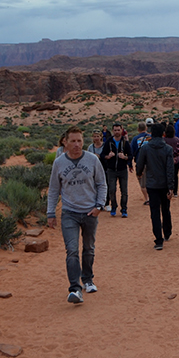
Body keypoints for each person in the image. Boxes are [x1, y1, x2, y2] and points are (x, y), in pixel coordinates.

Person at [47, 126, 107, 304]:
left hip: (90, 211)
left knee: (88, 248)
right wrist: (51, 212)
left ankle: (88, 279)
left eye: (79, 141)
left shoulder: (92, 160)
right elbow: (53, 190)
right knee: (71, 250)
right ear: (65, 142)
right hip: (69, 213)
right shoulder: (59, 163)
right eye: (72, 141)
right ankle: (75, 288)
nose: (76, 144)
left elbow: (102, 184)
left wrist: (99, 206)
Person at [136, 123, 175, 250]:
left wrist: (139, 173)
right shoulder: (168, 149)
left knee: (154, 212)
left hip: (152, 185)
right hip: (164, 184)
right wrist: (171, 187)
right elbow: (170, 169)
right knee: (166, 209)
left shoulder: (145, 149)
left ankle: (158, 240)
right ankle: (167, 232)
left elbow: (139, 164)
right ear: (163, 134)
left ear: (151, 134)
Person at [101, 123, 133, 218]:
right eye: (115, 130)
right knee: (112, 190)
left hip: (122, 169)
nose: (117, 132)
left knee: (124, 191)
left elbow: (131, 155)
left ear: (121, 130)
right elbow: (103, 155)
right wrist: (108, 156)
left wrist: (125, 157)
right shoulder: (109, 142)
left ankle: (124, 209)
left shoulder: (125, 142)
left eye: (118, 130)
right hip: (111, 170)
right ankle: (114, 206)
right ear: (113, 131)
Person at [130, 122, 151, 206]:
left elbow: (131, 152)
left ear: (138, 129)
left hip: (140, 162)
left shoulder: (135, 139)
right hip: (151, 161)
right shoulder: (150, 137)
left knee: (142, 181)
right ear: (146, 128)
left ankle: (147, 198)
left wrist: (130, 164)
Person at [164, 124, 179, 197]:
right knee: (175, 176)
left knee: (167, 175)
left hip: (166, 160)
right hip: (176, 160)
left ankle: (168, 190)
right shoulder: (177, 140)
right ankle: (175, 192)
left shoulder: (164, 140)